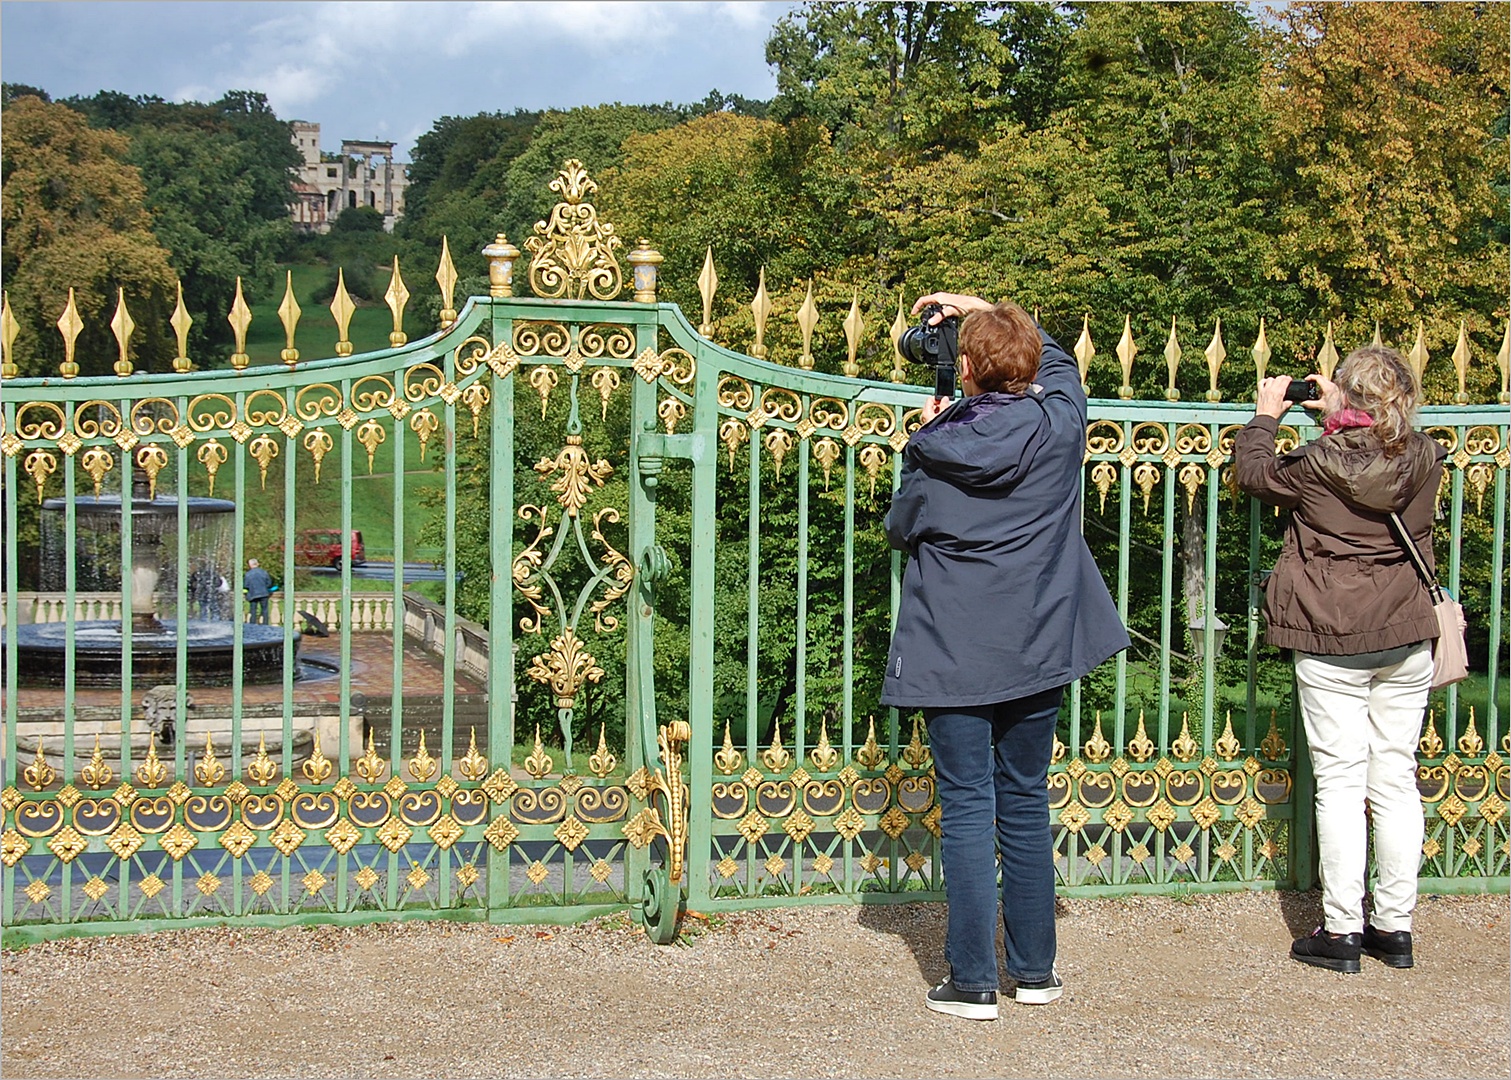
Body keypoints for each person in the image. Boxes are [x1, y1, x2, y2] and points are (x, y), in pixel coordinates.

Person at [882, 293, 1129, 1021]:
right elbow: (1060, 365)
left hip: (955, 649)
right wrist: (989, 308)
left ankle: (971, 982)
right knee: (1023, 799)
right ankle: (1035, 973)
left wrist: (930, 435)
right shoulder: (1059, 427)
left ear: (962, 370)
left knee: (965, 806)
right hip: (1037, 646)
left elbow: (903, 529)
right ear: (1025, 366)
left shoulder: (932, 452)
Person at [1234, 345, 1444, 974]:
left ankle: (1343, 929)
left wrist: (1268, 414)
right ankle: (1395, 927)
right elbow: (1380, 447)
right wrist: (1347, 407)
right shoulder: (1427, 455)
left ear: (1347, 398)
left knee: (1342, 781)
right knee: (1396, 778)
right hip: (1406, 631)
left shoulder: (1316, 463)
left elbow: (1253, 474)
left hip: (1333, 635)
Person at [243, 558, 274, 625]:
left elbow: (246, 585)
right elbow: (269, 583)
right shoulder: (264, 572)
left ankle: (253, 625)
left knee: (253, 611)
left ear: (250, 565)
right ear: (257, 564)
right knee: (265, 610)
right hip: (264, 593)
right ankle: (265, 624)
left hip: (252, 594)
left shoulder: (248, 574)